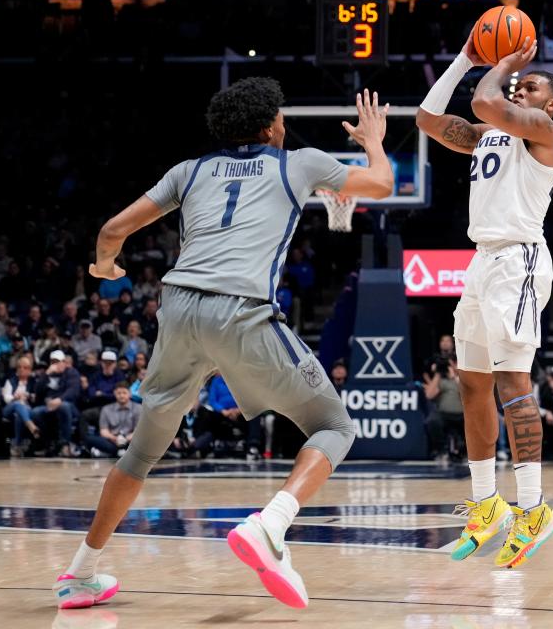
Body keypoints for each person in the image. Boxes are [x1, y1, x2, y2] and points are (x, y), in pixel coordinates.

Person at [52, 79, 392, 609]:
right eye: (279, 116)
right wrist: (373, 139)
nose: (285, 123)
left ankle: (81, 573)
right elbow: (381, 184)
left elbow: (113, 229)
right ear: (267, 127)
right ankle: (271, 525)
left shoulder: (188, 171)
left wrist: (104, 266)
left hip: (178, 309)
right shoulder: (298, 162)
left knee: (141, 454)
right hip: (240, 311)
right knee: (334, 426)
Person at [416, 30, 553, 567]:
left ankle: (533, 508)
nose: (518, 90)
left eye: (529, 87)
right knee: (472, 383)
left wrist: (500, 63)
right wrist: (462, 57)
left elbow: (485, 99)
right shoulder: (488, 136)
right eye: (517, 85)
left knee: (511, 382)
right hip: (482, 262)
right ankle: (488, 505)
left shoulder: (543, 132)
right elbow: (429, 121)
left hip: (519, 262)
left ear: (549, 104)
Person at [423, 356, 465, 459]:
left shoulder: (462, 379)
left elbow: (466, 394)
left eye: (451, 365)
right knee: (432, 421)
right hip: (444, 414)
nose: (449, 367)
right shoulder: (441, 380)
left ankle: (464, 451)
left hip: (462, 415)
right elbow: (429, 395)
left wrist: (454, 377)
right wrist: (437, 374)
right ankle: (442, 450)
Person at [87, 383, 141, 458]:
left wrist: (126, 439)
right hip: (112, 440)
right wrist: (114, 438)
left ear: (130, 394)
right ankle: (120, 452)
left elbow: (138, 430)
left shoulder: (138, 408)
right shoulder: (106, 409)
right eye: (119, 393)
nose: (121, 396)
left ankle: (109, 453)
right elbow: (103, 430)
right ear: (115, 394)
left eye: (124, 393)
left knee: (143, 440)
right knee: (90, 438)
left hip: (131, 439)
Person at [2, 356, 40, 456]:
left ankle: (17, 445)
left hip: (26, 411)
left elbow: (37, 397)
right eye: (19, 367)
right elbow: (6, 398)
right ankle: (30, 425)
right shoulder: (10, 381)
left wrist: (29, 396)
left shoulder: (33, 382)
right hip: (10, 409)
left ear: (30, 370)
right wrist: (15, 397)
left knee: (20, 414)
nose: (21, 369)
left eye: (25, 367)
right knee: (18, 405)